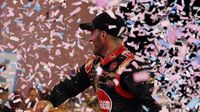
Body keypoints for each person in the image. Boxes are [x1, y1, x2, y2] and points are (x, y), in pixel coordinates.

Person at [36, 12, 161, 112]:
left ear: (102, 35)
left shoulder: (132, 67)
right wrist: (50, 100)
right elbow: (70, 86)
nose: (90, 39)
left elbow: (159, 105)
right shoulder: (95, 65)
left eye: (92, 32)